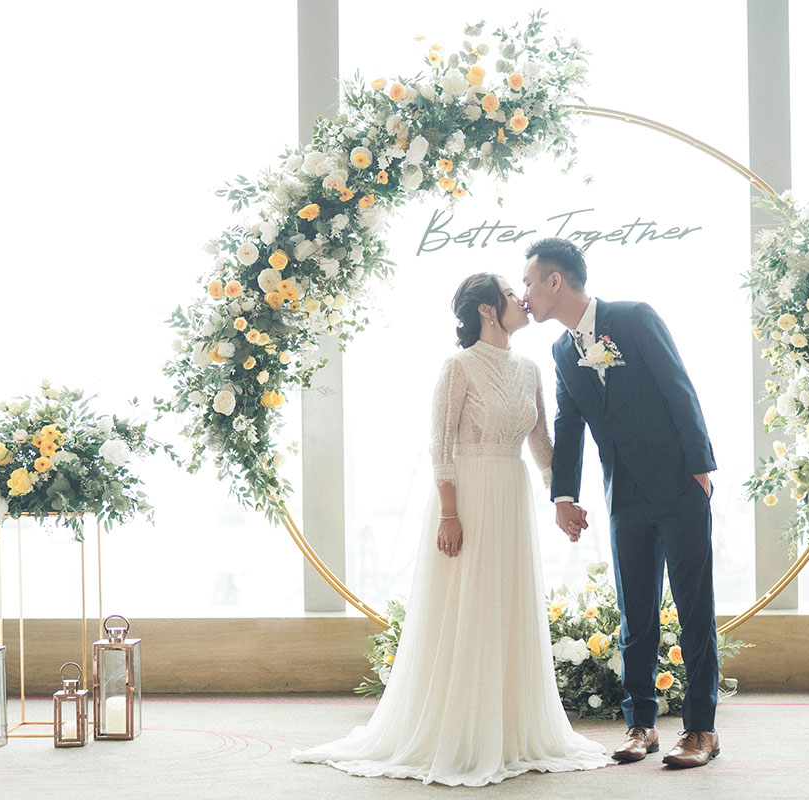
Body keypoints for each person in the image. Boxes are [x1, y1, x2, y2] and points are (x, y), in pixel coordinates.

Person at [293, 272, 609, 786]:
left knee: (506, 604)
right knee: (467, 605)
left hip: (511, 490)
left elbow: (542, 444)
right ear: (487, 309)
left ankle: (507, 730)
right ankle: (458, 730)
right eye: (510, 295)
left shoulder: (530, 368)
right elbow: (440, 446)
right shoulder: (457, 367)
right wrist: (448, 511)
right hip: (468, 495)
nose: (521, 300)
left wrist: (563, 501)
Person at [521, 238, 721, 769]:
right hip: (624, 496)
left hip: (680, 485)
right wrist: (563, 495)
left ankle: (702, 730)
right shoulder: (563, 351)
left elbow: (679, 387)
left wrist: (701, 467)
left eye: (528, 283)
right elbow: (569, 426)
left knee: (694, 608)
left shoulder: (633, 318)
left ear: (554, 281)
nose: (524, 295)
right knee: (636, 611)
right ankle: (642, 725)